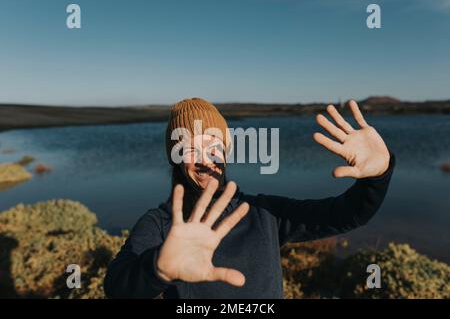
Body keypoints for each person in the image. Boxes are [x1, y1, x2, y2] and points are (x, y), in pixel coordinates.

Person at [104, 97, 394, 298]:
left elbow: (345, 215)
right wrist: (157, 270)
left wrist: (376, 178)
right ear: (175, 157)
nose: (205, 160)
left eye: (214, 146)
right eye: (190, 149)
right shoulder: (161, 224)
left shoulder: (263, 213)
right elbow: (118, 286)